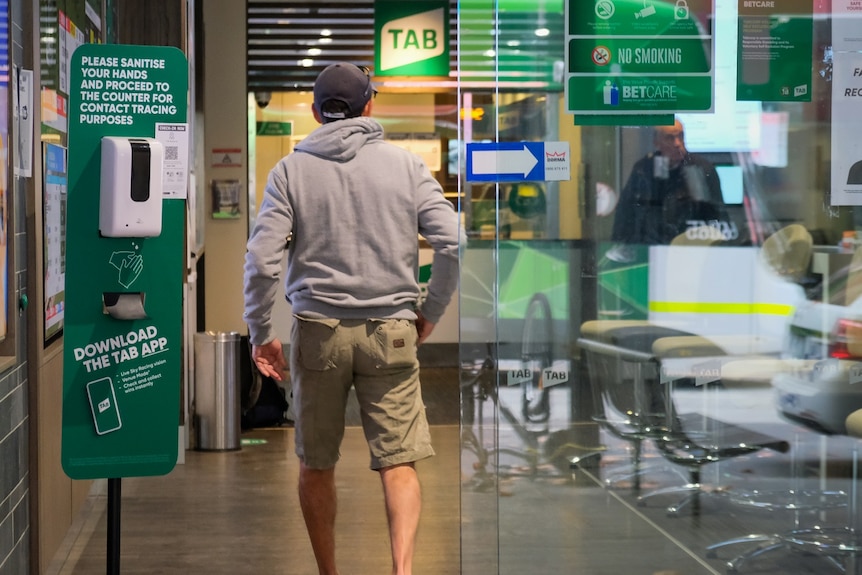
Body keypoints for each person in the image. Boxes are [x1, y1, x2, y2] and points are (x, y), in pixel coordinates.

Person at [242, 62, 460, 575]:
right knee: (398, 462)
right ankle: (402, 570)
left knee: (316, 463)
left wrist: (261, 333)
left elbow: (260, 259)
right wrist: (430, 311)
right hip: (393, 331)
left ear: (318, 113)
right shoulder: (407, 167)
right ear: (369, 107)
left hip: (318, 334)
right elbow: (451, 240)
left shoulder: (290, 171)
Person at [611, 118, 730, 245]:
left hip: (691, 245)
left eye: (681, 136)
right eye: (670, 138)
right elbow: (625, 213)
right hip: (652, 245)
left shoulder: (701, 169)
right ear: (657, 142)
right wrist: (620, 245)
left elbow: (719, 215)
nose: (677, 143)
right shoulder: (644, 169)